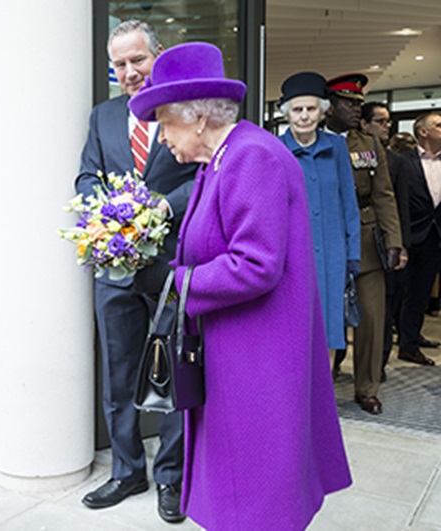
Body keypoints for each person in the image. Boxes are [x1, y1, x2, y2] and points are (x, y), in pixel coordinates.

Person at [128, 42, 352, 530]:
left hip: (259, 362)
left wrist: (174, 280)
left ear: (199, 118)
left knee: (256, 501)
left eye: (164, 123)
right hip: (237, 356)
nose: (162, 138)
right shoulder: (221, 159)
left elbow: (256, 264)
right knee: (238, 492)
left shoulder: (251, 157)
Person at [75, 20, 197, 524]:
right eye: (119, 64)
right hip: (115, 268)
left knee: (171, 370)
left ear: (158, 56)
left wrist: (159, 210)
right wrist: (104, 213)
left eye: (136, 61)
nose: (128, 72)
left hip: (171, 263)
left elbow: (204, 177)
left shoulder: (185, 111)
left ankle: (171, 475)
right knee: (119, 372)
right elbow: (86, 174)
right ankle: (128, 471)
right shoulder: (102, 116)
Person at [325, 73, 403, 414]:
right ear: (329, 107)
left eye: (359, 104)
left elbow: (384, 195)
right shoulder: (313, 141)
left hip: (367, 239)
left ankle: (367, 387)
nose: (356, 110)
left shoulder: (369, 145)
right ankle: (322, 381)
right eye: (348, 103)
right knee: (327, 315)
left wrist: (395, 242)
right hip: (326, 238)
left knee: (372, 317)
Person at [278, 72, 360, 354]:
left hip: (331, 255)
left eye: (311, 109)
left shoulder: (336, 147)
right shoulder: (275, 149)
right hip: (292, 254)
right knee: (292, 330)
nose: (304, 116)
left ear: (322, 111)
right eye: (297, 110)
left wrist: (353, 255)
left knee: (327, 330)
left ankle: (323, 397)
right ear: (287, 114)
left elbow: (348, 203)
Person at [360, 102, 412, 379]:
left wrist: (398, 243)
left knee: (379, 310)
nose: (387, 126)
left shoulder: (395, 160)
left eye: (387, 121)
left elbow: (395, 203)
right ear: (364, 124)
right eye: (380, 121)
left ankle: (374, 372)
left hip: (378, 243)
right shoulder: (344, 149)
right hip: (346, 239)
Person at [394, 112, 441, 367]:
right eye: (438, 125)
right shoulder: (403, 162)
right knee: (397, 292)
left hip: (435, 237)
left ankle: (409, 344)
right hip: (408, 237)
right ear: (423, 132)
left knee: (420, 295)